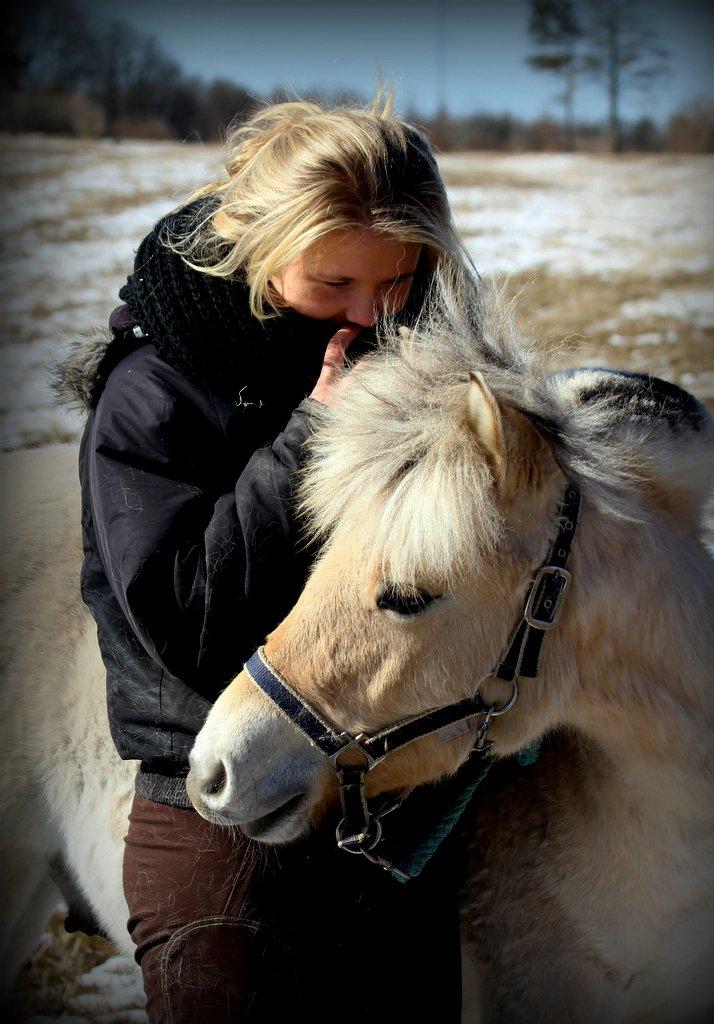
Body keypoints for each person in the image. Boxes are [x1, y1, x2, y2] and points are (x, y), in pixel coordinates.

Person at [74, 94, 476, 1022]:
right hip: (220, 822)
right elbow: (189, 622)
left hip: (388, 813)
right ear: (261, 245)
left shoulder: (407, 357)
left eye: (399, 283)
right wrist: (312, 437)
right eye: (335, 285)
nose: (371, 314)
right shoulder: (153, 394)